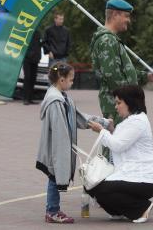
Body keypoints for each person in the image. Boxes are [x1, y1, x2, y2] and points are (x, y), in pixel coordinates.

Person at [35, 62, 110, 224]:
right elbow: (59, 131)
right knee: (54, 176)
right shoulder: (56, 101)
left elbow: (78, 117)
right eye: (71, 79)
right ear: (61, 80)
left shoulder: (62, 97)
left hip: (58, 149)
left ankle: (53, 209)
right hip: (56, 149)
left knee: (53, 177)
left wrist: (102, 122)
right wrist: (62, 155)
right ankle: (52, 211)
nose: (72, 82)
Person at [87, 85, 153, 223]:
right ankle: (118, 211)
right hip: (130, 175)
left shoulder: (138, 121)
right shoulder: (130, 121)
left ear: (130, 102)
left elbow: (118, 145)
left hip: (143, 179)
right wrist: (109, 129)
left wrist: (101, 131)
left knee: (101, 188)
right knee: (91, 184)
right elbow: (119, 142)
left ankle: (142, 208)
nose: (116, 107)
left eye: (119, 103)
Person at [90, 0, 153, 126]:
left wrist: (146, 76)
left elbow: (123, 71)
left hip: (123, 104)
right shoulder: (107, 40)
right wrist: (133, 98)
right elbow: (113, 77)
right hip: (119, 106)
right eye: (126, 16)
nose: (128, 20)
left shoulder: (111, 39)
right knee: (116, 145)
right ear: (115, 15)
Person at [22, 30, 42, 105]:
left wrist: (39, 56)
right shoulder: (27, 31)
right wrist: (28, 54)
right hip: (27, 59)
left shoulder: (38, 32)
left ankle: (30, 98)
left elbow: (39, 45)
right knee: (27, 77)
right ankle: (25, 98)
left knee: (33, 78)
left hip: (35, 59)